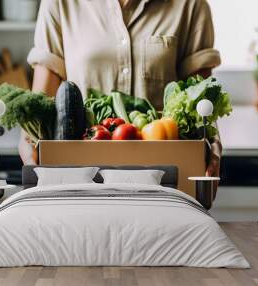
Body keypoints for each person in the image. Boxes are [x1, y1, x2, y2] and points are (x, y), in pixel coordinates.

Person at [19, 0, 222, 185]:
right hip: (82, 175)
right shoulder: (59, 4)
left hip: (163, 176)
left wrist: (212, 147)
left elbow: (200, 99)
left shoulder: (191, 4)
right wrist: (30, 146)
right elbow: (41, 101)